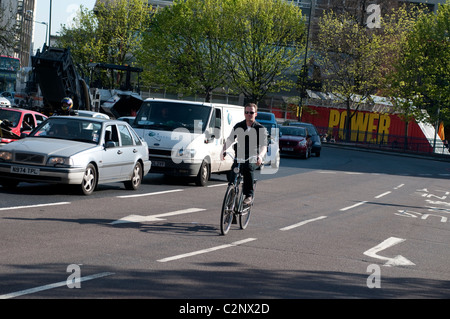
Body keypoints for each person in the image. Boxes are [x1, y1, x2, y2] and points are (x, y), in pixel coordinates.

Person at [221, 103, 268, 205]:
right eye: (246, 112)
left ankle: (248, 195)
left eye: (251, 112)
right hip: (240, 156)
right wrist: (223, 150)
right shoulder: (239, 126)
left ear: (256, 114)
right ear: (244, 114)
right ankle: (232, 192)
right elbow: (230, 139)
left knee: (247, 167)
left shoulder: (260, 128)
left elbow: (264, 146)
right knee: (234, 171)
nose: (249, 114)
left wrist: (260, 156)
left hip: (253, 157)